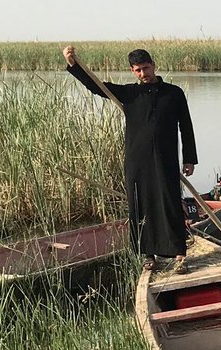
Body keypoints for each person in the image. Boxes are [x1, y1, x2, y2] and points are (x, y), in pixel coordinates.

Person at [63, 45, 197, 272]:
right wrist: (73, 65)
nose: (143, 74)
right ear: (132, 71)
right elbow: (98, 87)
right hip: (137, 160)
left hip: (166, 159)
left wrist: (189, 159)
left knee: (170, 202)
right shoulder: (130, 94)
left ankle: (179, 255)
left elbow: (186, 126)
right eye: (138, 70)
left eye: (146, 68)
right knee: (140, 205)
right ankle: (149, 256)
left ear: (153, 65)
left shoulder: (174, 94)